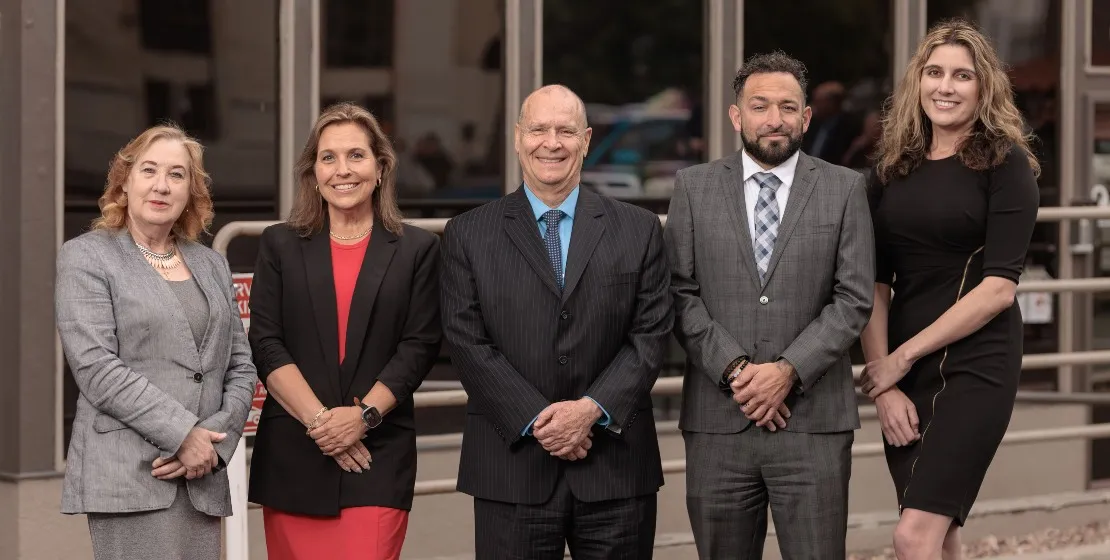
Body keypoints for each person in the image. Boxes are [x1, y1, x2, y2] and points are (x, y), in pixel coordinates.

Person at [441, 84, 673, 559]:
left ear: (586, 140)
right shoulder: (468, 234)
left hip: (615, 468)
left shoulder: (639, 229)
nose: (552, 142)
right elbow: (466, 342)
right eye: (539, 129)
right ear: (518, 137)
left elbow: (651, 335)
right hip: (511, 468)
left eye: (566, 130)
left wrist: (589, 410)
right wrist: (541, 420)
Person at [665, 51, 875, 560]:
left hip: (814, 425)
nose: (773, 119)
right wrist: (736, 369)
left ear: (806, 117)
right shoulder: (693, 188)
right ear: (737, 116)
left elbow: (853, 298)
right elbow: (677, 293)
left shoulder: (845, 189)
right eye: (759, 106)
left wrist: (787, 370)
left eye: (787, 107)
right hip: (720, 423)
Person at [859, 19, 1040, 560]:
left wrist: (900, 358)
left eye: (963, 76)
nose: (946, 86)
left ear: (984, 88)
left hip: (975, 365)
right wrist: (886, 383)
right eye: (934, 72)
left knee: (912, 535)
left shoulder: (1006, 165)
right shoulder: (891, 169)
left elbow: (998, 290)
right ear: (917, 82)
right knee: (940, 536)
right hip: (905, 373)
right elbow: (873, 282)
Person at [247, 102, 442, 560]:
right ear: (313, 172)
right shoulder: (278, 243)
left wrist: (362, 419)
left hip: (376, 454)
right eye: (328, 157)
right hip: (296, 454)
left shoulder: (418, 249)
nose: (343, 170)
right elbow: (266, 343)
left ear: (380, 168)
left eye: (356, 155)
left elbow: (420, 345)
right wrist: (322, 424)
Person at [55, 124, 257, 560]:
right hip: (131, 475)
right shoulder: (87, 256)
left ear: (191, 192)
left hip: (201, 477)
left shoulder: (211, 263)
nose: (162, 185)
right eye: (149, 170)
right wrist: (183, 434)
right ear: (124, 181)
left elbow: (241, 365)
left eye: (177, 175)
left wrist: (213, 445)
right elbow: (96, 368)